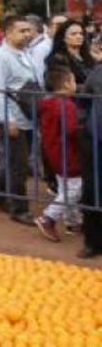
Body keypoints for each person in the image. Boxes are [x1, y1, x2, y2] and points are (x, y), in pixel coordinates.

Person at [0, 15, 38, 225]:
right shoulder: (0, 58)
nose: (27, 34)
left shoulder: (24, 53)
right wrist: (7, 120)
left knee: (14, 160)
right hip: (12, 118)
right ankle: (19, 208)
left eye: (28, 30)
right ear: (8, 33)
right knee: (19, 164)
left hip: (27, 116)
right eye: (22, 30)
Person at [35, 67, 82, 242]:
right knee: (74, 189)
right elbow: (71, 129)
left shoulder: (48, 103)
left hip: (53, 150)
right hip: (68, 151)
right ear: (67, 84)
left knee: (65, 187)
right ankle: (49, 217)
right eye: (73, 81)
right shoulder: (66, 105)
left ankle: (72, 221)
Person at [80, 60, 102, 258]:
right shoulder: (97, 72)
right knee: (92, 190)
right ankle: (92, 242)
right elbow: (84, 99)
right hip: (95, 140)